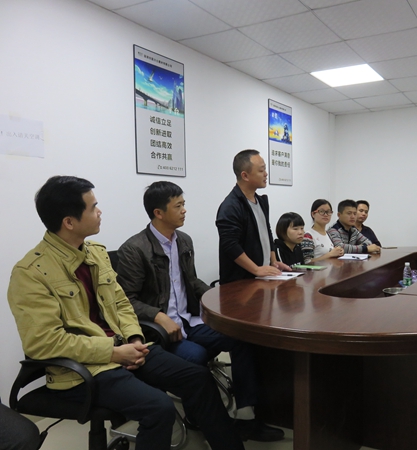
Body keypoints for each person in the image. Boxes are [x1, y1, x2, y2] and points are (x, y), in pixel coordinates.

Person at [6, 176, 244, 450]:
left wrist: (134, 338)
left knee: (197, 377)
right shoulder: (31, 273)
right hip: (86, 369)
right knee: (159, 408)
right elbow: (43, 343)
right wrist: (113, 352)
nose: (100, 212)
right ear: (69, 222)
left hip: (125, 349)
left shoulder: (95, 253)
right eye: (93, 207)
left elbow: (122, 304)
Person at [117, 181, 284, 442]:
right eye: (178, 206)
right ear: (158, 212)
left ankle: (246, 416)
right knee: (195, 356)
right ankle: (204, 420)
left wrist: (220, 299)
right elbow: (126, 300)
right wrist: (159, 316)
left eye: (184, 204)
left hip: (190, 321)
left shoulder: (183, 240)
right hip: (159, 331)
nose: (184, 210)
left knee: (242, 337)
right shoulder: (134, 249)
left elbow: (192, 282)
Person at [216, 149, 290, 285]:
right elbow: (230, 245)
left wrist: (273, 261)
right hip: (241, 282)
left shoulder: (260, 201)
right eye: (261, 170)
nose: (266, 174)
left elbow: (266, 232)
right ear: (245, 176)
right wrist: (256, 269)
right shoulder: (231, 206)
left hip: (263, 278)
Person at [301, 199, 344, 263]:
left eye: (328, 212)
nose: (326, 214)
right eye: (321, 211)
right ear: (313, 214)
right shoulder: (308, 236)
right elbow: (307, 262)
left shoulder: (328, 234)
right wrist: (330, 254)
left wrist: (338, 251)